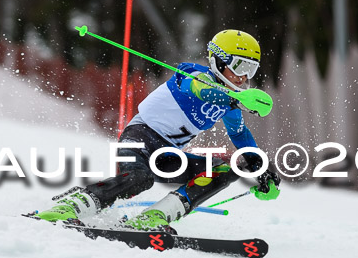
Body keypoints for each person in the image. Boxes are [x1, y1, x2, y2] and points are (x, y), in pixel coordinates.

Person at [35, 29, 281, 232]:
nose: (243, 77)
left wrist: (260, 168)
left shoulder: (231, 103)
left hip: (168, 154)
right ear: (218, 60)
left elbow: (240, 136)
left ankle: (154, 217)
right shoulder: (194, 75)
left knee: (228, 168)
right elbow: (198, 90)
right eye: (240, 66)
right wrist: (235, 99)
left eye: (251, 70)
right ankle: (70, 206)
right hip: (140, 139)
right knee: (139, 180)